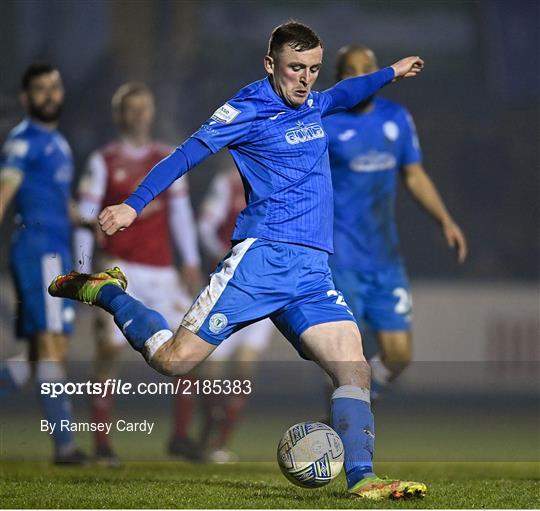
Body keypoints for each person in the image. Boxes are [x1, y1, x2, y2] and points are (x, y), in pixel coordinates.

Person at [49, 22, 427, 499]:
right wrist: (132, 205)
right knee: (174, 362)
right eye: (295, 68)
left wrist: (390, 71)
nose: (306, 79)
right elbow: (184, 155)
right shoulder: (246, 109)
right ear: (270, 65)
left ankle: (363, 478)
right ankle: (106, 290)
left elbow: (347, 91)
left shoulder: (313, 101)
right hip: (261, 262)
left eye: (312, 69)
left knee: (354, 368)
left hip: (311, 272)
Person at [324, 45, 467, 399]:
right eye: (350, 70)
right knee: (346, 356)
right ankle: (347, 422)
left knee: (399, 355)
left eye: (366, 69)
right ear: (339, 79)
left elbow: (414, 175)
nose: (359, 75)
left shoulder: (397, 118)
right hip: (340, 256)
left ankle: (348, 408)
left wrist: (445, 221)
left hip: (385, 258)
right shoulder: (325, 123)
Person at [74, 82, 202, 464]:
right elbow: (84, 217)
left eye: (145, 108)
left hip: (163, 271)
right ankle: (101, 443)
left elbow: (180, 215)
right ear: (119, 115)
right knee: (108, 354)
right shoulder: (104, 161)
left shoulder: (167, 157)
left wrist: (190, 261)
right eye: (131, 109)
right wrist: (83, 270)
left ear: (152, 112)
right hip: (120, 269)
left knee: (189, 353)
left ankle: (180, 436)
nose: (139, 115)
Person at [0, 62, 87, 464]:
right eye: (40, 89)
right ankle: (65, 448)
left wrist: (88, 219)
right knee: (50, 347)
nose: (50, 95)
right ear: (26, 98)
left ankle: (65, 444)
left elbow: (60, 202)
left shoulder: (59, 143)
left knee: (44, 355)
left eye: (55, 87)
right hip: (39, 250)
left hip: (58, 251)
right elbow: (5, 190)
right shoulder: (24, 140)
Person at [196, 164, 275, 463]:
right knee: (212, 374)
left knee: (244, 369)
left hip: (264, 289)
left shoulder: (277, 180)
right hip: (229, 290)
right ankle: (207, 431)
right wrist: (224, 253)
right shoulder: (227, 182)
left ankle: (220, 443)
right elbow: (205, 226)